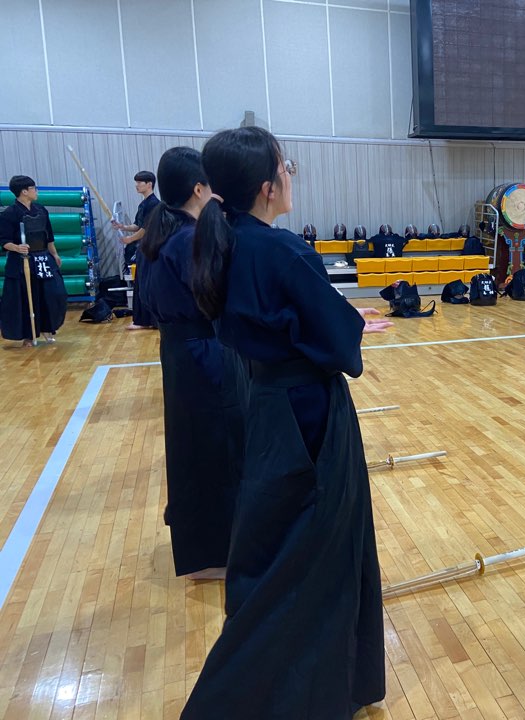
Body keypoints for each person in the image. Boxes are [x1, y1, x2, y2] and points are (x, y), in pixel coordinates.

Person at [182, 127, 391, 719]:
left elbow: (290, 318)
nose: (291, 176)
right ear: (267, 187)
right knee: (318, 550)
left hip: (269, 403)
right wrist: (348, 324)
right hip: (310, 414)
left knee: (277, 548)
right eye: (286, 167)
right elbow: (335, 342)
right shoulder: (282, 250)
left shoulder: (227, 242)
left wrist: (340, 316)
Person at [136, 147, 241, 580]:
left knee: (193, 448)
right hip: (203, 353)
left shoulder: (159, 236)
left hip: (179, 352)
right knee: (216, 449)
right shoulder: (189, 239)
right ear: (199, 189)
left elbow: (146, 305)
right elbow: (221, 300)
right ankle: (216, 555)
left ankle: (205, 550)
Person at [0, 175, 67, 346]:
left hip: (43, 258)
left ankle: (47, 328)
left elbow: (48, 236)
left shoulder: (41, 210)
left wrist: (55, 254)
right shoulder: (9, 214)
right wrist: (17, 247)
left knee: (52, 294)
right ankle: (28, 335)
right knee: (27, 297)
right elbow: (4, 241)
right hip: (22, 261)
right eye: (34, 188)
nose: (36, 191)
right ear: (24, 191)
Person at [112, 170, 159, 329]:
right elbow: (138, 225)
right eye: (136, 182)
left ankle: (147, 320)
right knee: (141, 282)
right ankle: (142, 320)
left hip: (151, 249)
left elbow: (146, 229)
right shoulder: (144, 204)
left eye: (139, 182)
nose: (136, 185)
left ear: (149, 184)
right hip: (143, 249)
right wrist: (122, 227)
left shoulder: (154, 204)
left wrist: (130, 239)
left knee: (147, 284)